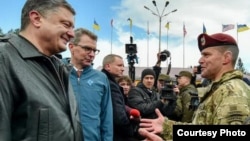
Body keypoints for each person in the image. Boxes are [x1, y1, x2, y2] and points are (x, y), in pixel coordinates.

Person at [139, 33, 250, 140]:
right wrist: (168, 127)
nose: (200, 60)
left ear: (226, 58)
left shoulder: (233, 92)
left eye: (206, 55)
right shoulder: (219, 89)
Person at [0, 0, 83, 141]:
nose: (72, 34)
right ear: (36, 19)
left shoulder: (60, 68)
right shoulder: (4, 58)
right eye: (66, 25)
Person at [63, 28, 113, 141]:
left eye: (94, 50)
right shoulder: (57, 73)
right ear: (71, 47)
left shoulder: (101, 78)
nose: (92, 54)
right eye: (87, 49)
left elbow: (106, 116)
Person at [102, 54, 142, 141]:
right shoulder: (111, 85)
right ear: (108, 66)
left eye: (123, 66)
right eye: (119, 65)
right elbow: (119, 118)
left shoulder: (103, 81)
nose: (123, 69)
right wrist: (131, 131)